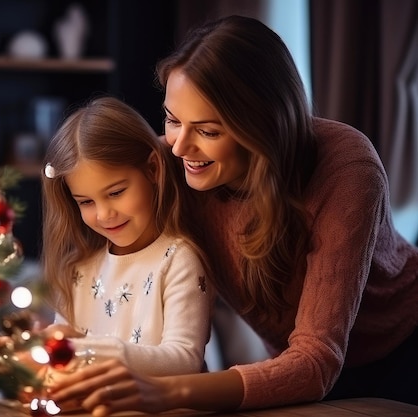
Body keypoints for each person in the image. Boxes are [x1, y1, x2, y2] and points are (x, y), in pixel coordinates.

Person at [46, 15, 418, 416]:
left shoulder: (346, 169)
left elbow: (315, 361)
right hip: (289, 362)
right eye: (173, 120)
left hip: (400, 351)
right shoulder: (168, 164)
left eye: (208, 131)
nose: (180, 147)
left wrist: (167, 392)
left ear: (260, 126)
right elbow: (93, 189)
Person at [38, 95, 211, 379]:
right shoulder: (77, 268)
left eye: (116, 193)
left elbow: (184, 359)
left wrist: (88, 350)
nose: (104, 214)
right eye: (86, 202)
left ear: (153, 169)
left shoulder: (178, 260)